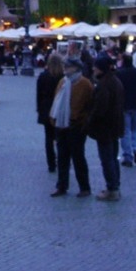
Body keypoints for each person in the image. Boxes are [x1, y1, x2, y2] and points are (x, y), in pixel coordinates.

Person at [49, 57, 94, 198]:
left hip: (76, 125)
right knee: (62, 157)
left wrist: (82, 120)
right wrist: (53, 119)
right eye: (65, 66)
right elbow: (56, 100)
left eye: (68, 66)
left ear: (76, 68)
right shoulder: (62, 82)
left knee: (78, 157)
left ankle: (84, 187)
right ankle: (61, 185)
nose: (65, 69)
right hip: (61, 124)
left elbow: (90, 105)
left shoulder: (85, 84)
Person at [89, 53, 125, 202]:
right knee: (113, 158)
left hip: (105, 127)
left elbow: (100, 108)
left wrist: (90, 120)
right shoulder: (116, 81)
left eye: (96, 67)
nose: (93, 69)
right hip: (115, 125)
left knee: (107, 159)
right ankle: (115, 186)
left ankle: (112, 189)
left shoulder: (104, 85)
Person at [35, 52, 64, 173]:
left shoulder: (43, 76)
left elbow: (39, 94)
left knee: (48, 137)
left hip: (47, 108)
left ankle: (51, 163)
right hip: (60, 108)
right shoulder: (63, 77)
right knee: (61, 137)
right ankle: (62, 161)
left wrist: (39, 108)